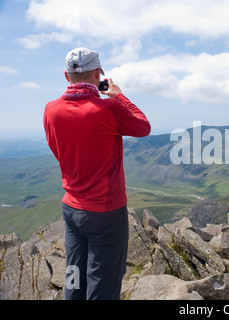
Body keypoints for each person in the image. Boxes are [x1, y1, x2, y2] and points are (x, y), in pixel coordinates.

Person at [43, 47, 151, 300]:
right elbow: (143, 126)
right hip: (105, 212)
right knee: (103, 280)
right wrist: (119, 96)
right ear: (97, 74)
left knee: (74, 272)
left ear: (66, 76)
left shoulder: (50, 109)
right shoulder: (108, 109)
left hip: (71, 209)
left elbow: (58, 149)